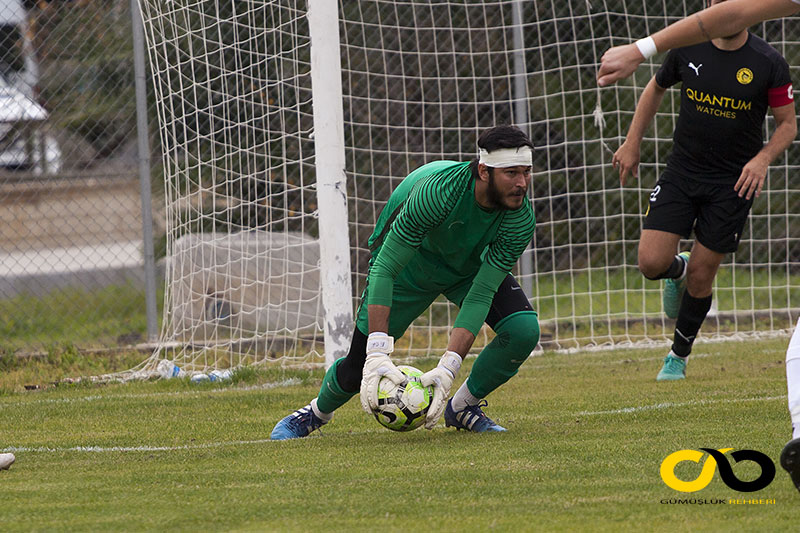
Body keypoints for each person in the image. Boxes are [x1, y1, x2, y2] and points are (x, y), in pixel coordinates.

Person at [600, 0, 800, 494]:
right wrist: (632, 141)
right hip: (682, 172)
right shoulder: (685, 45)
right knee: (651, 263)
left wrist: (763, 159)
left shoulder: (770, 62)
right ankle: (676, 270)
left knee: (705, 275)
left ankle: (678, 355)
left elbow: (788, 124)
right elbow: (655, 88)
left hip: (732, 183)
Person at [270, 125, 540, 440]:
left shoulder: (520, 218)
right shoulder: (438, 193)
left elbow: (481, 293)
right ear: (483, 171)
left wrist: (448, 369)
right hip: (408, 266)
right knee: (357, 367)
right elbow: (385, 267)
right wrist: (378, 352)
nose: (522, 183)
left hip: (467, 267)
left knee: (523, 330)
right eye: (511, 173)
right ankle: (316, 413)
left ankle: (463, 406)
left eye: (526, 172)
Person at [597, 0, 800, 87]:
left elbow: (732, 16)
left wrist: (640, 50)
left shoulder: (768, 61)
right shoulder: (687, 51)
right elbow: (731, 15)